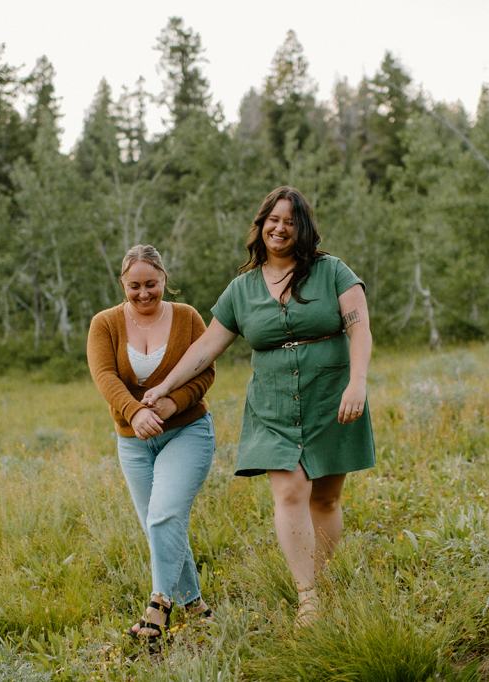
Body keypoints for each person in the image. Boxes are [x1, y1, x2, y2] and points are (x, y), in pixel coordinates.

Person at [143, 186, 375, 626]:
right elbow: (205, 348)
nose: (279, 227)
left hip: (332, 394)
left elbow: (359, 329)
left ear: (301, 228)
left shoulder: (333, 272)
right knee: (290, 491)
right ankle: (308, 598)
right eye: (272, 218)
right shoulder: (242, 288)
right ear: (261, 225)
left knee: (326, 499)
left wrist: (357, 383)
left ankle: (319, 580)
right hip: (273, 404)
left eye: (289, 220)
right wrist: (164, 385)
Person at [86, 244, 216, 642]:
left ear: (164, 280)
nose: (144, 294)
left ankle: (157, 608)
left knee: (163, 516)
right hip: (133, 442)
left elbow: (205, 371)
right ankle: (196, 608)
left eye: (152, 285)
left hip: (187, 431)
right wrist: (135, 412)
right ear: (122, 284)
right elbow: (105, 377)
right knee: (160, 525)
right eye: (134, 286)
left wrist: (171, 403)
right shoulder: (105, 324)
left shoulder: (188, 318)